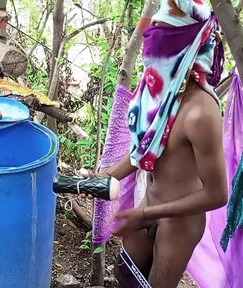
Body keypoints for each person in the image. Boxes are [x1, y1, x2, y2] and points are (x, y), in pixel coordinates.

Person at [85, 1, 228, 287]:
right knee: (126, 278)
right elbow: (146, 151)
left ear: (187, 47)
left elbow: (217, 194)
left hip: (180, 223)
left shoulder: (201, 111)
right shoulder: (161, 92)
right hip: (149, 205)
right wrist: (104, 176)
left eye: (165, 39)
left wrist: (146, 214)